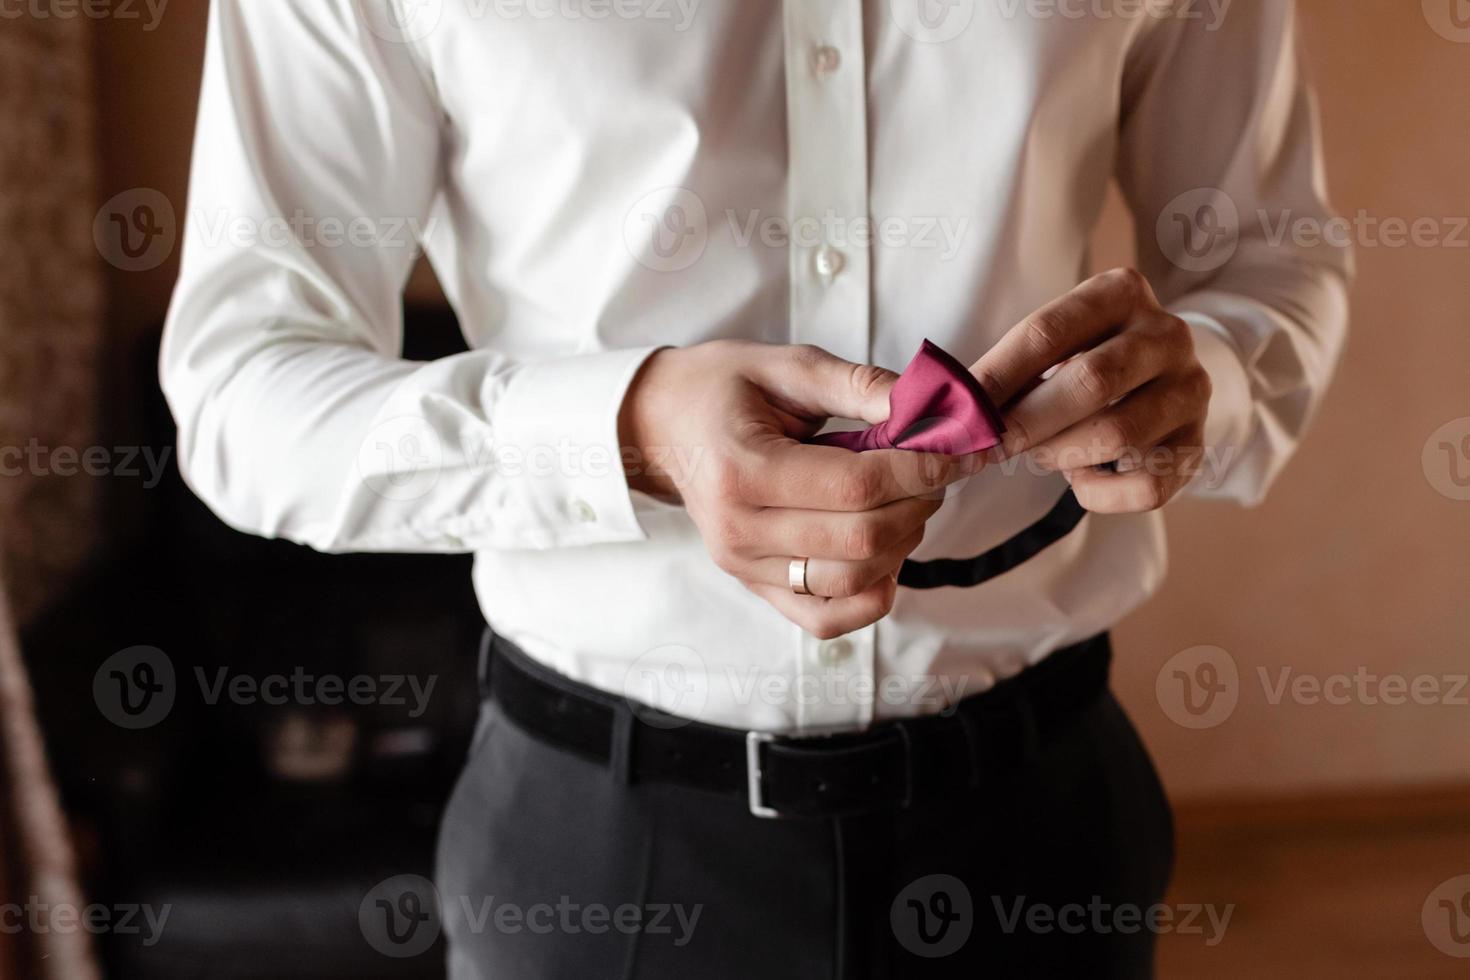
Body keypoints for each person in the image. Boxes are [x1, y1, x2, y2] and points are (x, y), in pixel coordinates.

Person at [161, 1, 1350, 976]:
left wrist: (1210, 388)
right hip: (603, 856)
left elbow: (1268, 259)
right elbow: (243, 390)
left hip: (1040, 826)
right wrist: (623, 431)